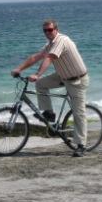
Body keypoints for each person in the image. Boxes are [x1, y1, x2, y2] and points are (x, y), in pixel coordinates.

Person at [11, 19, 89, 157]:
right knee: (40, 84)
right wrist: (19, 69)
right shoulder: (50, 44)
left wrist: (37, 74)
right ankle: (49, 113)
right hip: (63, 76)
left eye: (50, 30)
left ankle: (81, 145)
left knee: (78, 113)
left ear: (56, 30)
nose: (47, 33)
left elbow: (49, 58)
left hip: (77, 80)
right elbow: (36, 57)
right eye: (45, 30)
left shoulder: (61, 41)